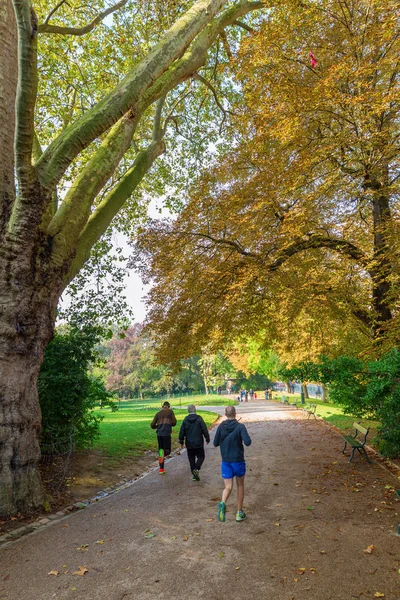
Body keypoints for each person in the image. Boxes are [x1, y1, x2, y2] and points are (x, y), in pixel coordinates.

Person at [213, 405, 252, 522]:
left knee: (228, 487)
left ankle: (223, 503)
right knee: (240, 485)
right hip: (238, 461)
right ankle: (239, 513)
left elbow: (215, 443)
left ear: (225, 415)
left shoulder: (220, 427)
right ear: (235, 414)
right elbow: (248, 442)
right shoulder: (240, 427)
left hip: (226, 461)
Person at [179, 404, 210, 481]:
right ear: (195, 410)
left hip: (189, 443)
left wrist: (181, 441)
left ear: (188, 411)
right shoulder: (199, 419)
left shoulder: (185, 420)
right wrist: (207, 438)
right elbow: (204, 429)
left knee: (191, 459)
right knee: (201, 456)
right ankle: (196, 469)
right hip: (198, 442)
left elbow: (182, 431)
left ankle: (194, 473)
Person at [150, 401, 177, 474]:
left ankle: (161, 469)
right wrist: (169, 424)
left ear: (162, 406)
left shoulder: (158, 413)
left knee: (161, 450)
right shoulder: (170, 412)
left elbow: (152, 425)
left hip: (159, 434)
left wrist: (158, 426)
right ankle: (161, 456)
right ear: (169, 406)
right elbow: (174, 422)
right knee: (168, 451)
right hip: (166, 434)